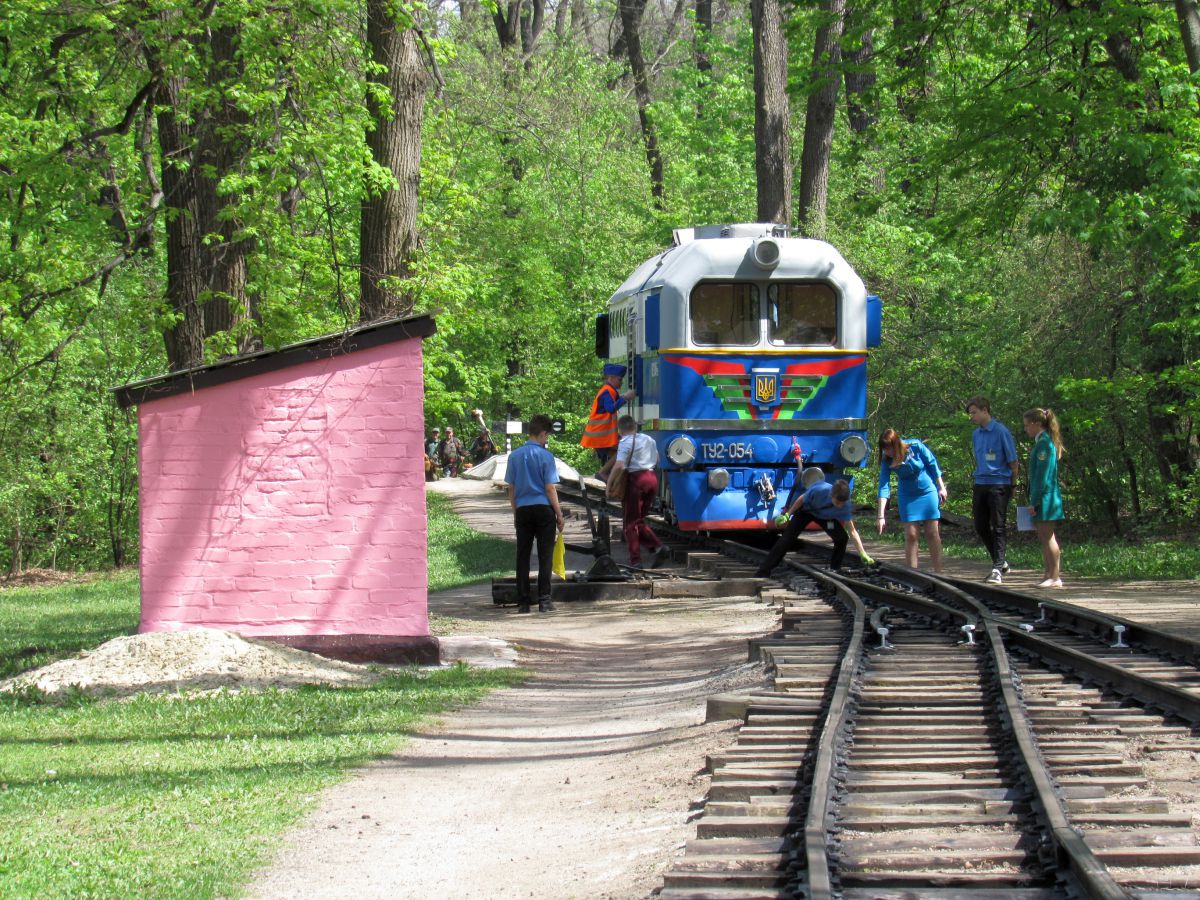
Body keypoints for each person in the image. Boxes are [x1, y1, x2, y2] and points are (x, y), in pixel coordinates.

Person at [504, 415, 565, 613]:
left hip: (522, 510)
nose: (547, 440)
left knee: (522, 555)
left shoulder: (514, 456)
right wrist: (559, 514)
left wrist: (516, 512)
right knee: (545, 555)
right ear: (543, 433)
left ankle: (523, 602)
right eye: (547, 436)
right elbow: (550, 488)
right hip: (543, 510)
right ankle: (544, 601)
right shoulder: (546, 456)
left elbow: (511, 489)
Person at [754, 479, 873, 576]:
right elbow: (801, 499)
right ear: (832, 495)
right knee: (787, 539)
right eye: (837, 503)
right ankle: (764, 571)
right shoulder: (820, 490)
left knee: (842, 538)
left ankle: (834, 569)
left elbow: (852, 531)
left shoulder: (845, 506)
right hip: (806, 511)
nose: (839, 506)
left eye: (842, 504)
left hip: (825, 517)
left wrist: (862, 553)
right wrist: (787, 515)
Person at [598, 415, 668, 568]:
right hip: (652, 479)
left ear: (620, 430)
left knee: (630, 524)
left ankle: (636, 561)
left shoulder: (625, 442)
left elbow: (619, 466)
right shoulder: (649, 440)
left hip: (637, 481)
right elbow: (656, 459)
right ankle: (656, 548)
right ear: (635, 427)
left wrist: (609, 484)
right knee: (639, 521)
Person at [875, 429, 947, 573]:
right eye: (884, 449)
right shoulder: (886, 460)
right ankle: (913, 574)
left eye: (889, 448)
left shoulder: (915, 446)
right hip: (907, 496)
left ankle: (939, 572)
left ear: (896, 444)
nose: (887, 452)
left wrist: (941, 487)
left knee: (932, 533)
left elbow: (932, 464)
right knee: (911, 534)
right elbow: (884, 486)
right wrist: (881, 516)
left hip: (927, 491)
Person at [967, 395, 1019, 584]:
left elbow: (1013, 462)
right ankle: (1001, 562)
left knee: (998, 526)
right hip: (981, 482)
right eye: (970, 413)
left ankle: (997, 569)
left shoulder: (1001, 431)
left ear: (985, 411)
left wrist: (1013, 485)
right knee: (980, 525)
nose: (972, 417)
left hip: (999, 483)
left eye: (974, 413)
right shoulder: (976, 434)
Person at [1023, 407, 1065, 588]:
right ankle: (1048, 573)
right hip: (1042, 498)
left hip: (1046, 499)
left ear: (1036, 424)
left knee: (1048, 537)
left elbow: (1043, 476)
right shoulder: (1041, 443)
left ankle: (1055, 576)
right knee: (1043, 536)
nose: (1025, 429)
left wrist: (1035, 501)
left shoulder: (1045, 445)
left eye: (1027, 425)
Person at [581, 363, 636, 466]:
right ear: (611, 378)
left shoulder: (608, 391)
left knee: (615, 456)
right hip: (601, 437)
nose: (621, 382)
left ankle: (605, 476)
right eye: (619, 379)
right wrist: (626, 398)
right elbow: (611, 408)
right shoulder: (607, 392)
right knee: (620, 455)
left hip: (600, 437)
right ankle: (603, 475)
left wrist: (622, 397)